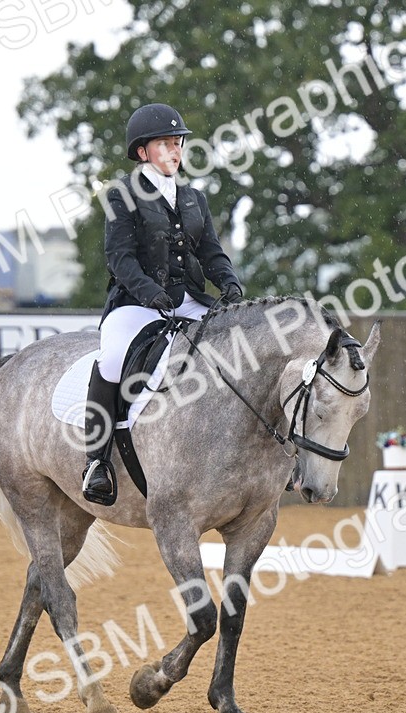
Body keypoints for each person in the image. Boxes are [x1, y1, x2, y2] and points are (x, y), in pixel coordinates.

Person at [81, 103, 245, 506]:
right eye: (165, 144)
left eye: (178, 143)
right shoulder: (121, 195)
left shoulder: (194, 199)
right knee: (114, 358)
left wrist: (230, 283)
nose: (175, 151)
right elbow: (119, 257)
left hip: (189, 302)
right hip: (136, 304)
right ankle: (97, 461)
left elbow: (211, 251)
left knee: (242, 350)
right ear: (142, 153)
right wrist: (147, 292)